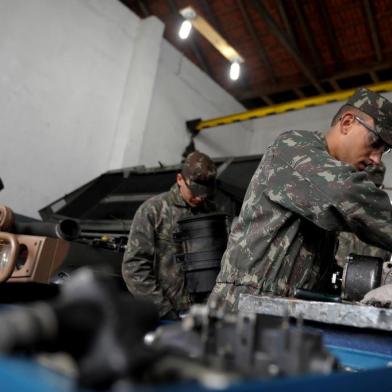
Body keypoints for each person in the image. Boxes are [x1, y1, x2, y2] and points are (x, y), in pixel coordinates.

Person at [208, 87, 392, 311]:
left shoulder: (323, 184)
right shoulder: (293, 148)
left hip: (284, 308)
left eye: (384, 151)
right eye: (374, 143)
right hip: (243, 304)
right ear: (347, 123)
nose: (376, 158)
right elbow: (345, 193)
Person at [122, 151, 219, 319]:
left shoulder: (212, 213)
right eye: (194, 192)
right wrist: (164, 311)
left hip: (202, 314)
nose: (199, 198)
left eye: (205, 193)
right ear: (180, 179)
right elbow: (134, 267)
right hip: (164, 314)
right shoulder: (153, 210)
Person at [335, 162, 391, 266]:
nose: (370, 193)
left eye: (376, 187)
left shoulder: (384, 220)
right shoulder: (338, 207)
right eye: (367, 186)